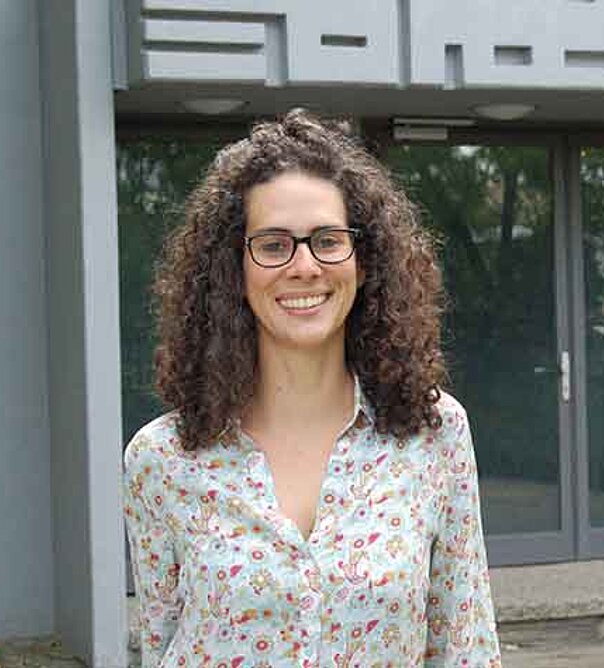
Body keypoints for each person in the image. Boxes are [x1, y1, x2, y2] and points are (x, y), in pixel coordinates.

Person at [123, 110, 502, 667]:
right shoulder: (163, 460)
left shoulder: (435, 435)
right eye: (273, 245)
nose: (304, 266)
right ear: (235, 269)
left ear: (364, 261)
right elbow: (160, 645)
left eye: (328, 240)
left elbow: (465, 646)